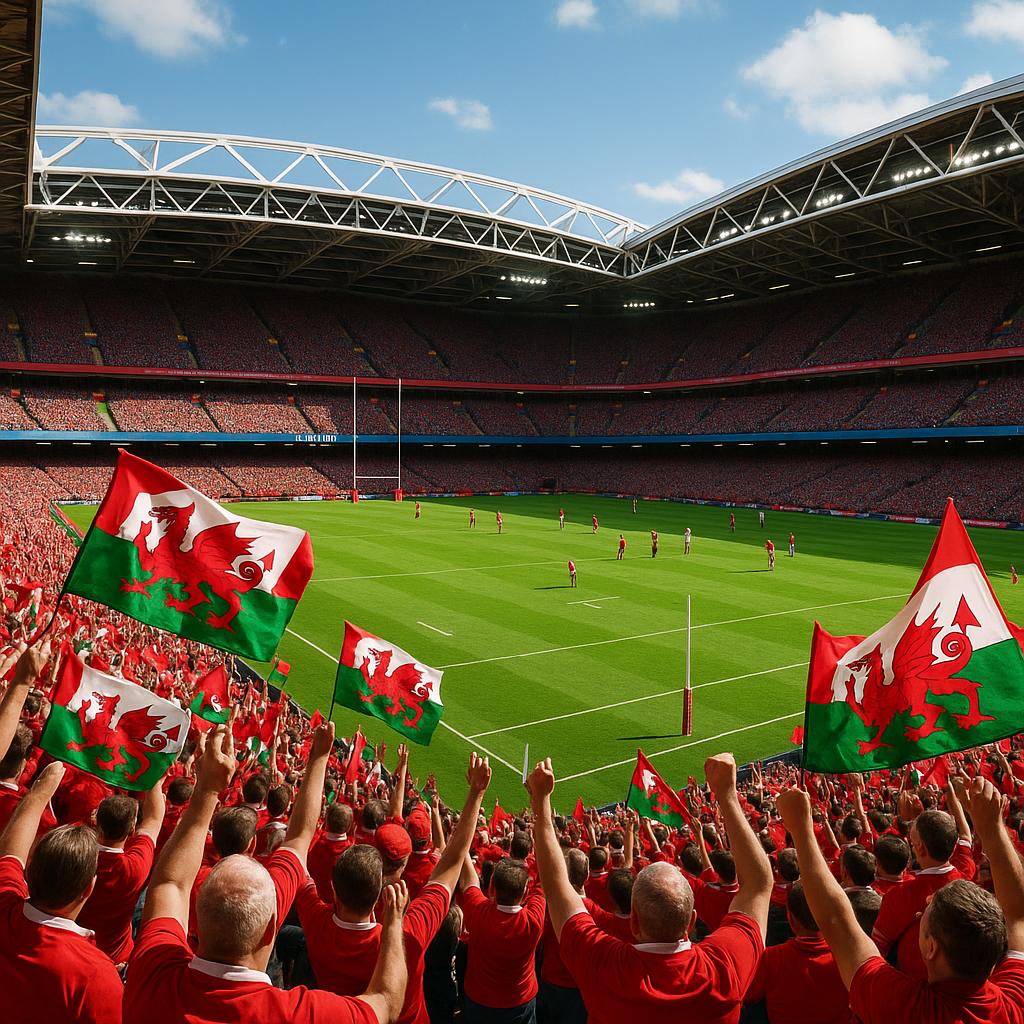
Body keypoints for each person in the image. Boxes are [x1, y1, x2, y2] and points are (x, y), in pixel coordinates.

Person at [124, 720, 409, 1024]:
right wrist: (393, 924)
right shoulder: (297, 1014)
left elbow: (170, 884)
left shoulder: (152, 971)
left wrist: (207, 790)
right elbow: (387, 1002)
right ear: (271, 927)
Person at [525, 752, 772, 1024]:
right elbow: (759, 885)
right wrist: (728, 796)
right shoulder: (724, 969)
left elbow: (557, 886)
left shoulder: (604, 965)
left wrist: (541, 801)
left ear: (634, 922)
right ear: (691, 922)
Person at [775, 779, 1024, 1024]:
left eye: (926, 911)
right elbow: (1017, 915)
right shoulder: (1014, 1003)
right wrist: (993, 829)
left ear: (930, 948)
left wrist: (800, 828)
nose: (926, 900)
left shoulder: (902, 1007)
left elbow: (836, 921)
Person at [296, 753, 493, 1024]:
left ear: (332, 887)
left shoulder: (315, 920)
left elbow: (296, 843)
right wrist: (476, 794)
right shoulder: (408, 933)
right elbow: (451, 863)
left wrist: (317, 757)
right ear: (380, 888)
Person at [0, 760, 124, 1024]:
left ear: (29, 871)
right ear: (88, 888)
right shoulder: (96, 975)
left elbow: (10, 854)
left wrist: (40, 792)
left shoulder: (4, 903)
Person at [457, 843, 546, 1023]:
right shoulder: (533, 920)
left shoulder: (478, 911)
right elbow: (545, 879)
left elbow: (469, 880)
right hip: (520, 1003)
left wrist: (462, 843)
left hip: (479, 1000)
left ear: (492, 889)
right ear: (524, 893)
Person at [78, 785, 167, 966]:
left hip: (72, 948)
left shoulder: (74, 855)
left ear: (95, 820)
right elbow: (154, 819)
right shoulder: (135, 868)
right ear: (132, 828)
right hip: (114, 960)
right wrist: (155, 781)